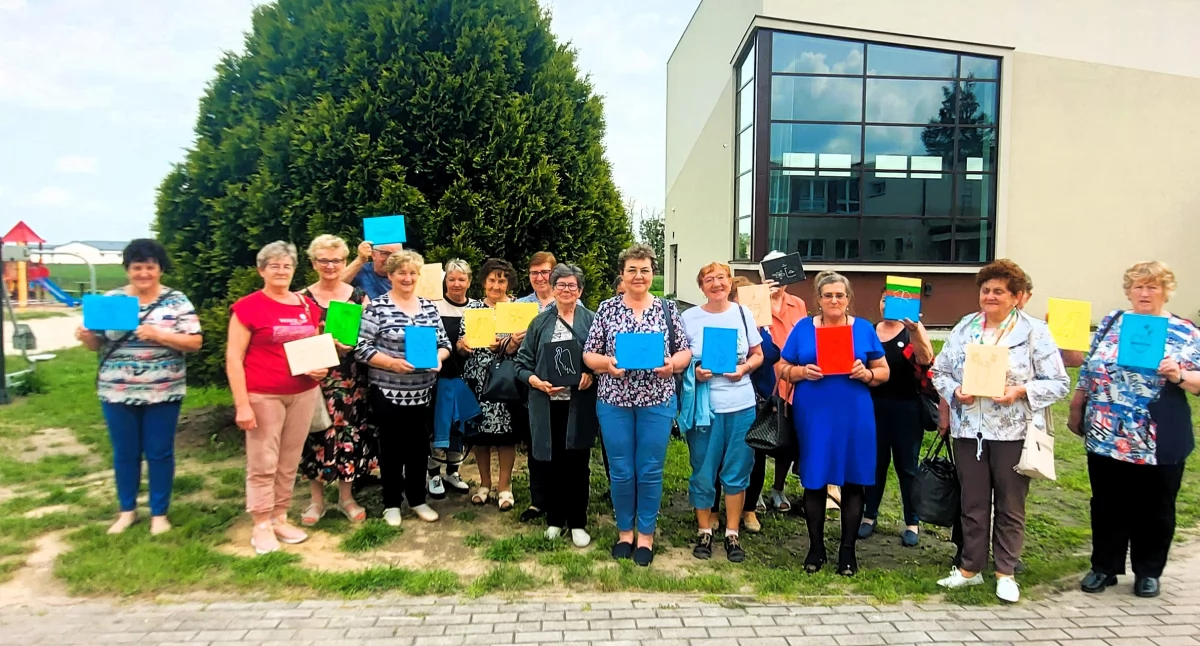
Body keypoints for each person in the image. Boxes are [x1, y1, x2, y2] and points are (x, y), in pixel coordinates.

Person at [932, 259, 1069, 602]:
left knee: (1010, 504)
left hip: (1013, 432)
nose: (990, 296)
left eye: (999, 291)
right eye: (986, 290)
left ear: (1017, 297)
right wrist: (954, 392)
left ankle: (1006, 571)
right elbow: (939, 371)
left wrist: (1020, 392)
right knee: (973, 503)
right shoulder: (965, 327)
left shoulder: (1033, 331)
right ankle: (970, 569)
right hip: (970, 432)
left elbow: (1059, 382)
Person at [1069, 261, 1200, 598]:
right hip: (1107, 432)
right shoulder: (1113, 322)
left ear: (1166, 291)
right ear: (1128, 291)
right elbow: (1089, 367)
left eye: (1153, 286)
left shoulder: (1185, 331)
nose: (1144, 293)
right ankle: (1104, 568)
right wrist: (1077, 403)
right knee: (1108, 504)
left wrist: (1179, 375)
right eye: (1138, 286)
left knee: (1156, 507)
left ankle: (1148, 572)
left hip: (1157, 436)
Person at [75, 239, 203, 535]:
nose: (144, 273)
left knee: (159, 451)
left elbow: (195, 341)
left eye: (150, 267)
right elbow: (97, 343)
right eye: (137, 267)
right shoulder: (112, 300)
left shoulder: (176, 301)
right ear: (127, 269)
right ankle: (127, 510)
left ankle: (160, 513)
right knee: (125, 452)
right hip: (117, 390)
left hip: (164, 389)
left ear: (160, 269)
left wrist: (159, 335)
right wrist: (85, 336)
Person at [583, 244, 691, 567]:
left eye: (644, 270)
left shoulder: (669, 311)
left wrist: (672, 364)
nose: (638, 276)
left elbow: (684, 352)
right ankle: (624, 533)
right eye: (632, 270)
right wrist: (607, 364)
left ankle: (646, 535)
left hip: (656, 401)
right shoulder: (606, 309)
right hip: (614, 400)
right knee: (620, 470)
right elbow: (589, 354)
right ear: (622, 274)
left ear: (652, 273)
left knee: (650, 469)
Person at [776, 271, 889, 577]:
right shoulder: (803, 328)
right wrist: (800, 373)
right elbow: (782, 366)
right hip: (815, 413)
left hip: (854, 412)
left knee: (853, 481)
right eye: (828, 295)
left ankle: (848, 552)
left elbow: (883, 371)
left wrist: (867, 374)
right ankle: (816, 548)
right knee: (815, 479)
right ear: (819, 300)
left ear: (849, 299)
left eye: (840, 295)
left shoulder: (863, 329)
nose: (834, 300)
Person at [227, 241, 329, 555]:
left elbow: (313, 344)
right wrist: (242, 404)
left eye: (286, 266)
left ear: (294, 269)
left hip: (302, 393)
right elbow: (233, 357)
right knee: (263, 462)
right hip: (263, 394)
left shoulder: (304, 305)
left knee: (288, 461)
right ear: (262, 270)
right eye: (274, 266)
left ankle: (279, 516)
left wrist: (319, 368)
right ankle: (260, 524)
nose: (281, 271)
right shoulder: (248, 306)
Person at [355, 250, 452, 526]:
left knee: (419, 448)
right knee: (391, 448)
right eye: (401, 273)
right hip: (388, 391)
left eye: (412, 273)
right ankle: (391, 503)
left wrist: (438, 358)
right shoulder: (378, 307)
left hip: (423, 392)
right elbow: (362, 348)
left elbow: (444, 344)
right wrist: (392, 364)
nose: (407, 278)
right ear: (390, 275)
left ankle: (418, 499)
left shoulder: (430, 308)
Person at [680, 263, 763, 563]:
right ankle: (705, 530)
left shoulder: (743, 314)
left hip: (741, 406)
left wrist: (743, 368)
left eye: (721, 278)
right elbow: (678, 360)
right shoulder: (688, 317)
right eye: (709, 279)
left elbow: (758, 354)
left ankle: (732, 532)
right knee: (703, 471)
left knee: (738, 470)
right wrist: (695, 372)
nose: (716, 284)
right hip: (705, 408)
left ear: (730, 283)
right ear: (701, 287)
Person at [515, 263, 598, 548]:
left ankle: (577, 522)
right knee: (550, 463)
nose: (566, 290)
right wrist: (536, 381)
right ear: (552, 288)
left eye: (572, 286)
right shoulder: (539, 323)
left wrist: (591, 376)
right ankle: (554, 519)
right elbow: (522, 364)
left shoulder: (592, 320)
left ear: (580, 290)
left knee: (578, 464)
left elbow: (603, 358)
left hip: (579, 405)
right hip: (546, 403)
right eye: (560, 285)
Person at [297, 235, 374, 526]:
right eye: (324, 260)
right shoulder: (301, 298)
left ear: (345, 261)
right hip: (315, 378)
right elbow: (294, 340)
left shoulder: (357, 296)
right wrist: (318, 340)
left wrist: (351, 345)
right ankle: (316, 501)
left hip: (351, 379)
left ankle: (346, 497)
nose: (330, 266)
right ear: (314, 263)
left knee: (349, 436)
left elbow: (368, 334)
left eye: (336, 260)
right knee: (315, 436)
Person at [859, 286, 934, 546]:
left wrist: (915, 330)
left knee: (907, 468)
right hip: (873, 406)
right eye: (883, 299)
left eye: (892, 300)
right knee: (875, 464)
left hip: (907, 408)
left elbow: (926, 360)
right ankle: (869, 516)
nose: (887, 305)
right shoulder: (868, 330)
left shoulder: (911, 330)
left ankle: (912, 521)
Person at [459, 258, 526, 512]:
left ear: (508, 283)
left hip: (507, 381)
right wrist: (463, 346)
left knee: (506, 437)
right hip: (477, 380)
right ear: (484, 282)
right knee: (481, 437)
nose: (496, 285)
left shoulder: (518, 309)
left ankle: (505, 486)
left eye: (502, 280)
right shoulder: (473, 309)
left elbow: (526, 346)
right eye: (492, 279)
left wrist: (509, 345)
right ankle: (484, 484)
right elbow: (460, 346)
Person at [756, 251, 809, 517]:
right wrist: (760, 299)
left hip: (793, 377)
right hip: (764, 378)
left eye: (785, 271)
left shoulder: (798, 304)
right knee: (760, 434)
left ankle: (778, 488)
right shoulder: (753, 301)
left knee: (786, 436)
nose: (780, 279)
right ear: (763, 276)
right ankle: (754, 492)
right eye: (774, 272)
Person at [428, 259, 478, 498]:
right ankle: (433, 475)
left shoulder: (478, 309)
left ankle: (453, 472)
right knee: (437, 427)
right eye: (451, 279)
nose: (456, 284)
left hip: (466, 378)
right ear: (444, 281)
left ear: (469, 281)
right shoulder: (433, 306)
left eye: (461, 279)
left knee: (459, 428)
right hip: (438, 378)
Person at [515, 251, 557, 521]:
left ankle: (561, 496)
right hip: (531, 385)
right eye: (534, 273)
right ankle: (538, 500)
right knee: (535, 443)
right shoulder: (519, 306)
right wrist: (512, 340)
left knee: (562, 444)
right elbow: (506, 350)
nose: (540, 278)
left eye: (545, 272)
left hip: (562, 386)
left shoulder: (567, 301)